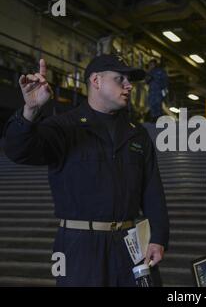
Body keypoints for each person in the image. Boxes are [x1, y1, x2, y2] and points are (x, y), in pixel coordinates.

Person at [2, 55, 170, 286]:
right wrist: (30, 111)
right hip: (78, 246)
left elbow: (153, 191)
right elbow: (17, 150)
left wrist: (158, 238)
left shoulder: (137, 133)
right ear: (96, 81)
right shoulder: (64, 127)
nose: (129, 85)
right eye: (120, 78)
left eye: (129, 80)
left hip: (130, 245)